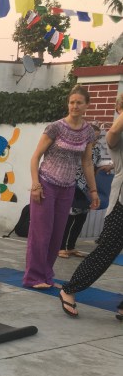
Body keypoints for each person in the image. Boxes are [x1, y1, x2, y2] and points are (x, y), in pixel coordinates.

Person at [23, 85, 100, 289]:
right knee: (41, 234)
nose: (74, 106)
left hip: (68, 188)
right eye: (72, 102)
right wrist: (35, 185)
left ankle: (47, 276)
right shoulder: (55, 127)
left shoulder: (88, 132)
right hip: (46, 185)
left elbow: (87, 163)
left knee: (57, 236)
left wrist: (93, 191)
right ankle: (33, 278)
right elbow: (35, 157)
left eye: (79, 103)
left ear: (87, 105)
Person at [59, 93, 123, 320]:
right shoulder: (117, 136)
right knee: (106, 251)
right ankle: (69, 289)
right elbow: (112, 134)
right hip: (121, 205)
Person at [58, 123, 111, 258]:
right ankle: (61, 247)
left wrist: (104, 168)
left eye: (97, 138)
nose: (95, 140)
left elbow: (95, 166)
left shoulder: (96, 149)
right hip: (74, 185)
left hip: (87, 187)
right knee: (69, 217)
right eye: (93, 137)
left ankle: (71, 247)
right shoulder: (77, 147)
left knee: (81, 218)